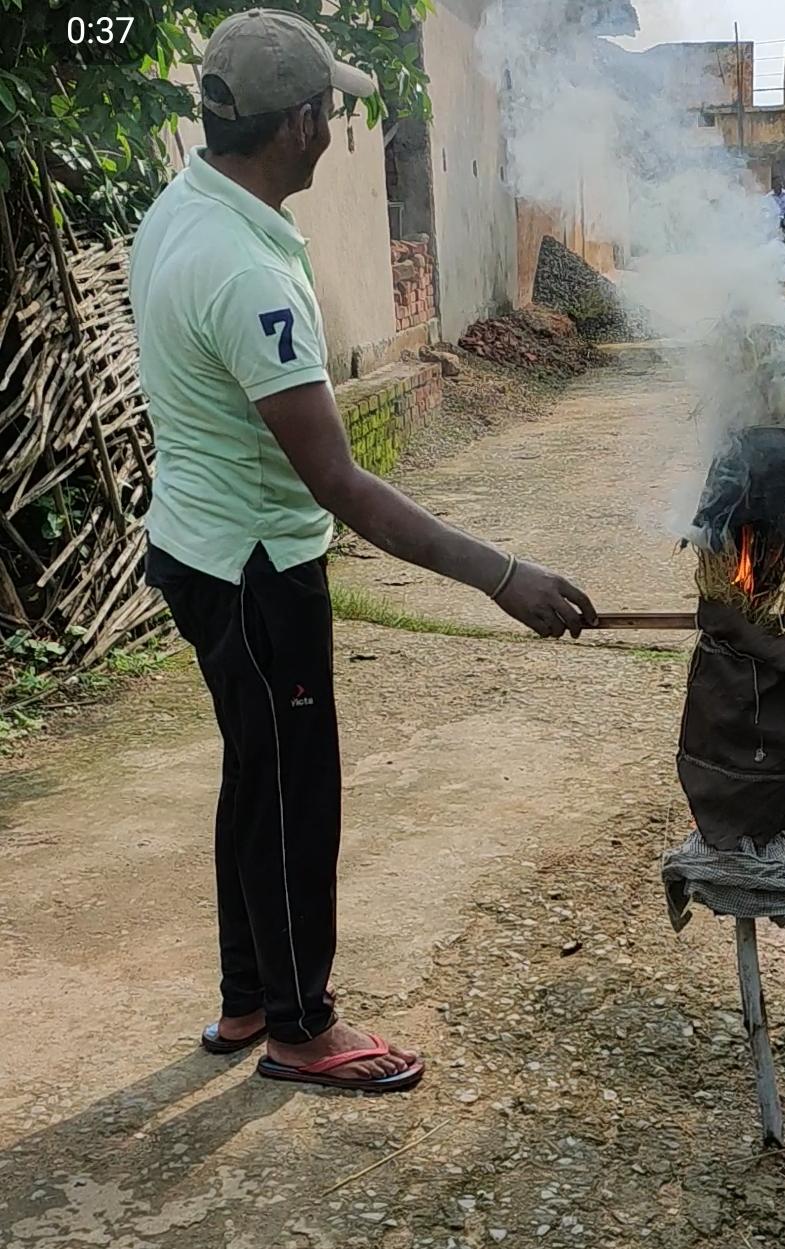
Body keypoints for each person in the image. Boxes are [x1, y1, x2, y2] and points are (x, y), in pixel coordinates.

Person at [129, 9, 597, 1094]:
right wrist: (502, 575)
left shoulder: (182, 210)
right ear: (299, 125)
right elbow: (341, 484)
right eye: (331, 112)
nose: (339, 128)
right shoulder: (246, 273)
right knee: (295, 790)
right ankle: (300, 1027)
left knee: (255, 775)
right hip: (253, 569)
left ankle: (250, 995)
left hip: (195, 544)